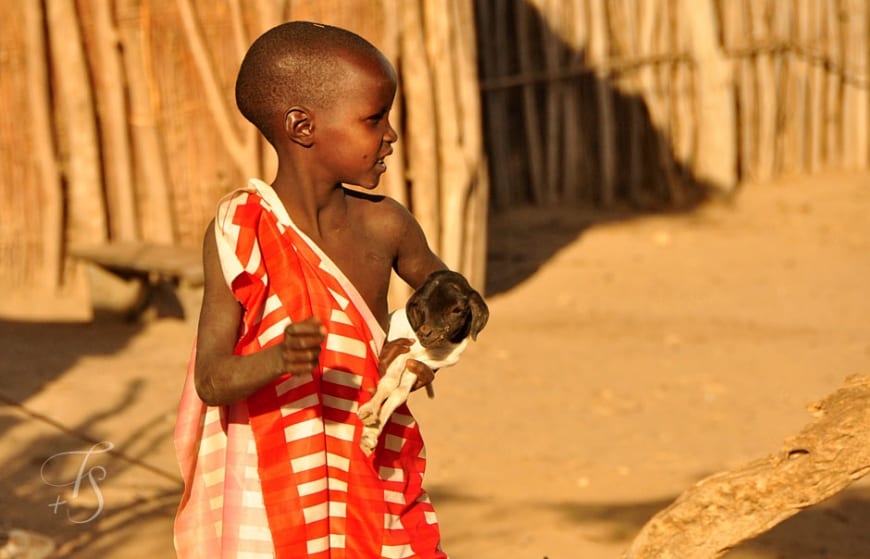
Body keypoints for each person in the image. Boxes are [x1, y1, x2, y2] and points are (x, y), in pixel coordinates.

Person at [173, 21, 450, 558]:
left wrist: (416, 353)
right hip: (270, 492)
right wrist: (278, 358)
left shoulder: (386, 226)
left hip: (375, 471)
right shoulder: (240, 231)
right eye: (374, 119)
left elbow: (451, 300)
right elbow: (211, 379)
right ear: (303, 126)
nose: (391, 135)